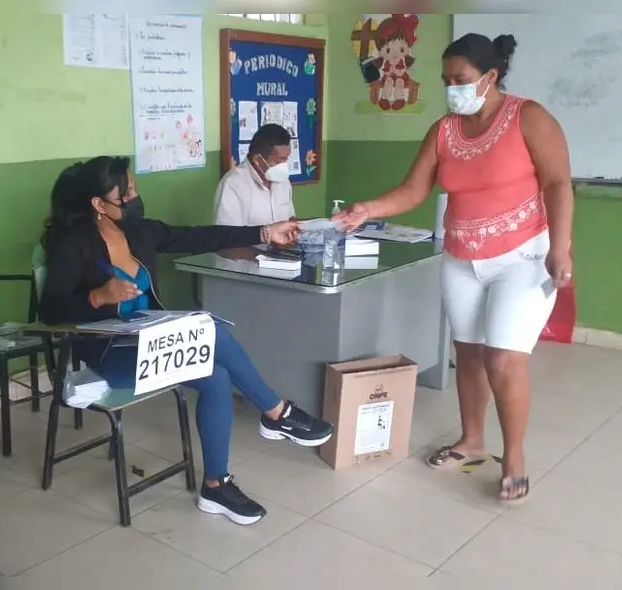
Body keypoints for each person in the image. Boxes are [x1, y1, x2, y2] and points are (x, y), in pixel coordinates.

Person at [335, 33, 573, 502]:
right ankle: (472, 441)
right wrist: (370, 209)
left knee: (502, 359)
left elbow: (559, 183)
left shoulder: (529, 117)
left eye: (460, 80)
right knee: (467, 352)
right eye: (446, 81)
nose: (451, 89)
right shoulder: (444, 130)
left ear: (489, 77)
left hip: (523, 258)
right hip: (462, 257)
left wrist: (560, 247)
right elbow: (414, 189)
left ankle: (516, 455)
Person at [39, 156, 333, 525]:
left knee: (216, 376)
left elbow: (201, 235)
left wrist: (264, 232)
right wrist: (97, 297)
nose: (134, 197)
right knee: (210, 330)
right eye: (125, 194)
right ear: (98, 205)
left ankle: (216, 485)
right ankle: (277, 413)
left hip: (153, 339)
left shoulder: (140, 232)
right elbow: (50, 310)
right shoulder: (73, 244)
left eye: (134, 188)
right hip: (110, 349)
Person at [214, 124, 295, 226]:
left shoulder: (283, 181)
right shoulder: (232, 185)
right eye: (278, 162)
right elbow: (226, 236)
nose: (283, 166)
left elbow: (290, 218)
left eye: (286, 159)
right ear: (257, 159)